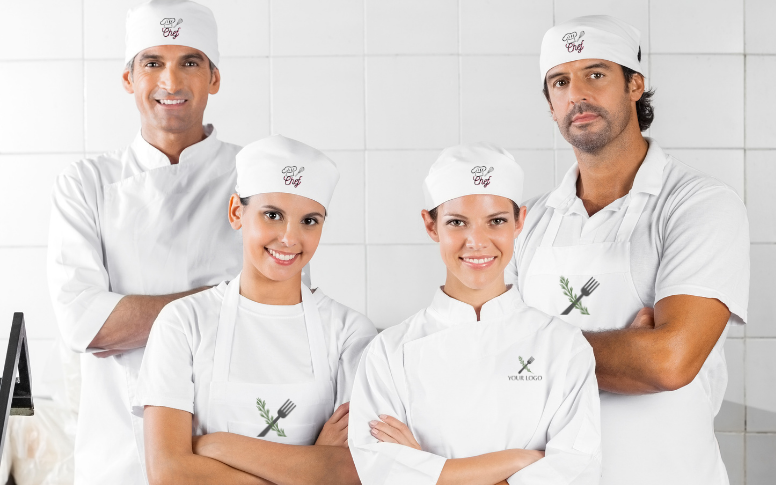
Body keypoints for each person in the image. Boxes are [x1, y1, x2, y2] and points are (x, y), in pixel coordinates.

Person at [506, 15, 749, 485]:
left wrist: (528, 351)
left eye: (595, 74)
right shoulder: (526, 221)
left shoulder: (699, 204)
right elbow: (481, 354)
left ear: (634, 85)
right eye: (560, 81)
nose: (577, 94)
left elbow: (668, 360)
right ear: (551, 104)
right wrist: (627, 346)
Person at [46, 1, 243, 483]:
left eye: (189, 62)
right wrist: (229, 301)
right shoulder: (87, 183)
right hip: (117, 456)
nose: (170, 83)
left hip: (235, 452)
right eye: (152, 62)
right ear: (128, 79)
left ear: (214, 78)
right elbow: (84, 325)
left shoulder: (255, 177)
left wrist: (130, 314)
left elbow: (283, 312)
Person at [349, 143, 602, 485]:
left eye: (496, 221)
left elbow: (576, 473)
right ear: (430, 226)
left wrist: (427, 470)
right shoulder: (389, 353)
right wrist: (519, 461)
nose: (477, 241)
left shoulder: (564, 347)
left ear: (519, 222)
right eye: (457, 223)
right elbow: (381, 473)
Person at [135, 135, 377, 484]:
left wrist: (218, 446)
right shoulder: (184, 322)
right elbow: (169, 473)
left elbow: (354, 472)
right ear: (237, 212)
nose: (290, 238)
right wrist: (312, 466)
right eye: (273, 215)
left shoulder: (350, 333)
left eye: (309, 221)